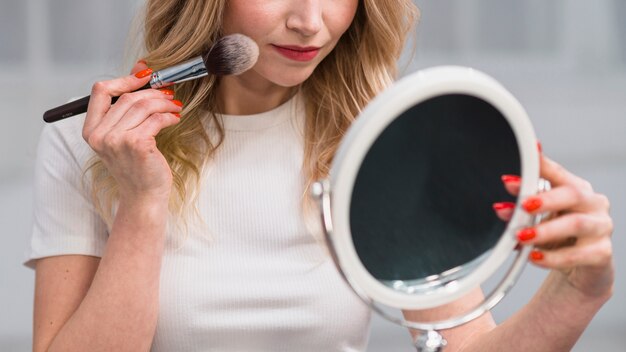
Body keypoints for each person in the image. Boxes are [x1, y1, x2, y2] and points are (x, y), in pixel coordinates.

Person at [27, 1, 614, 351]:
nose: (311, 22)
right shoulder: (92, 146)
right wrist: (143, 202)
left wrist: (579, 290)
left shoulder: (388, 137)